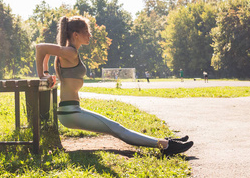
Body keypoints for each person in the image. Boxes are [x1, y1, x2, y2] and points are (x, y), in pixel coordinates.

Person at [35, 16, 193, 156]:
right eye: (86, 31)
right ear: (76, 35)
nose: (90, 35)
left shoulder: (68, 51)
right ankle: (166, 146)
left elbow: (47, 52)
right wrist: (43, 75)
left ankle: (165, 142)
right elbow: (41, 48)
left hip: (72, 110)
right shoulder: (71, 52)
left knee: (116, 128)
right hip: (70, 113)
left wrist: (47, 72)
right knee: (117, 129)